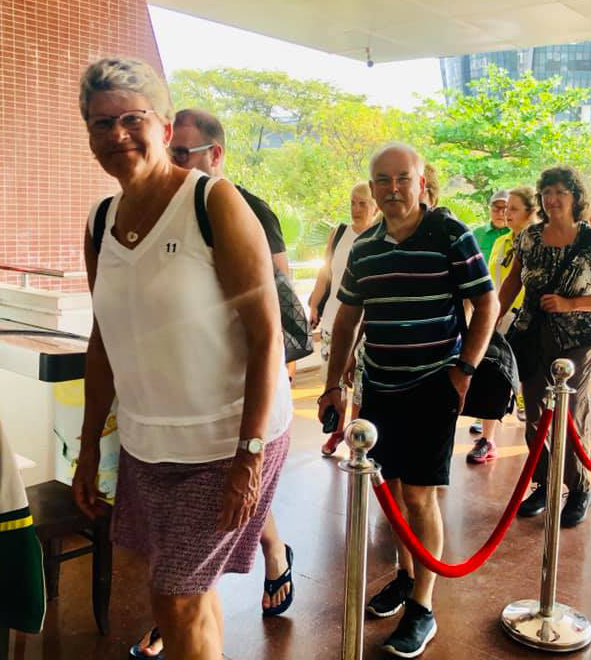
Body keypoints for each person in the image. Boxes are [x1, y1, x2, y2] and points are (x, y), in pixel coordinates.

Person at [72, 58, 293, 660]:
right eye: (99, 123)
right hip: (150, 444)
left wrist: (249, 457)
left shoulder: (211, 201)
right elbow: (104, 339)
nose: (116, 134)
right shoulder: (99, 222)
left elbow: (267, 335)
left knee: (173, 599)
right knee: (188, 592)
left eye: (130, 118)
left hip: (227, 440)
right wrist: (91, 446)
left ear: (164, 130)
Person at [124, 108, 296, 659]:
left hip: (235, 419)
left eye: (181, 153)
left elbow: (273, 311)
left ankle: (273, 557)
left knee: (177, 591)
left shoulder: (235, 208)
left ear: (214, 156)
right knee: (182, 586)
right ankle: (189, 618)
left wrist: (250, 446)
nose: (166, 163)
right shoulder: (131, 212)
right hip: (165, 428)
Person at [318, 143, 498, 657]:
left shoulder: (449, 232)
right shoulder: (366, 246)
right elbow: (349, 316)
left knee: (418, 497)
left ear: (421, 183)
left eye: (403, 178)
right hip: (379, 387)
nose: (392, 189)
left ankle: (423, 605)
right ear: (372, 187)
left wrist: (464, 369)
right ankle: (403, 574)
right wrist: (334, 384)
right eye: (382, 180)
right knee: (391, 494)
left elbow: (486, 300)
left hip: (432, 385)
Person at [498, 166, 591, 523]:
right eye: (547, 192)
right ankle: (543, 483)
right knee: (535, 416)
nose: (552, 199)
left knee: (569, 415)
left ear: (575, 198)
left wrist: (571, 304)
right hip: (532, 333)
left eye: (560, 192)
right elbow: (510, 284)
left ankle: (579, 487)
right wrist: (491, 323)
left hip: (577, 340)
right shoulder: (530, 237)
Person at [467, 186, 538, 463]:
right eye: (504, 208)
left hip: (528, 320)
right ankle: (487, 439)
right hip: (499, 318)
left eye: (513, 209)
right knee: (491, 377)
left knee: (530, 384)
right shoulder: (501, 243)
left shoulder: (539, 243)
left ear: (531, 212)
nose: (507, 214)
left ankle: (539, 450)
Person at [308, 183, 379, 455]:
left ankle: (355, 436)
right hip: (332, 321)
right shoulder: (338, 233)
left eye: (362, 203)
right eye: (352, 202)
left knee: (359, 385)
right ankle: (337, 432)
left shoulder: (376, 238)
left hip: (362, 326)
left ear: (374, 208)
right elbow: (325, 273)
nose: (356, 209)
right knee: (334, 381)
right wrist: (314, 304)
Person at [467, 189, 510, 434]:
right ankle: (480, 412)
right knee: (477, 356)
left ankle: (494, 411)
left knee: (497, 358)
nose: (501, 212)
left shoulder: (513, 235)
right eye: (496, 207)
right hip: (475, 302)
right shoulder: (478, 234)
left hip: (502, 305)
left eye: (506, 207)